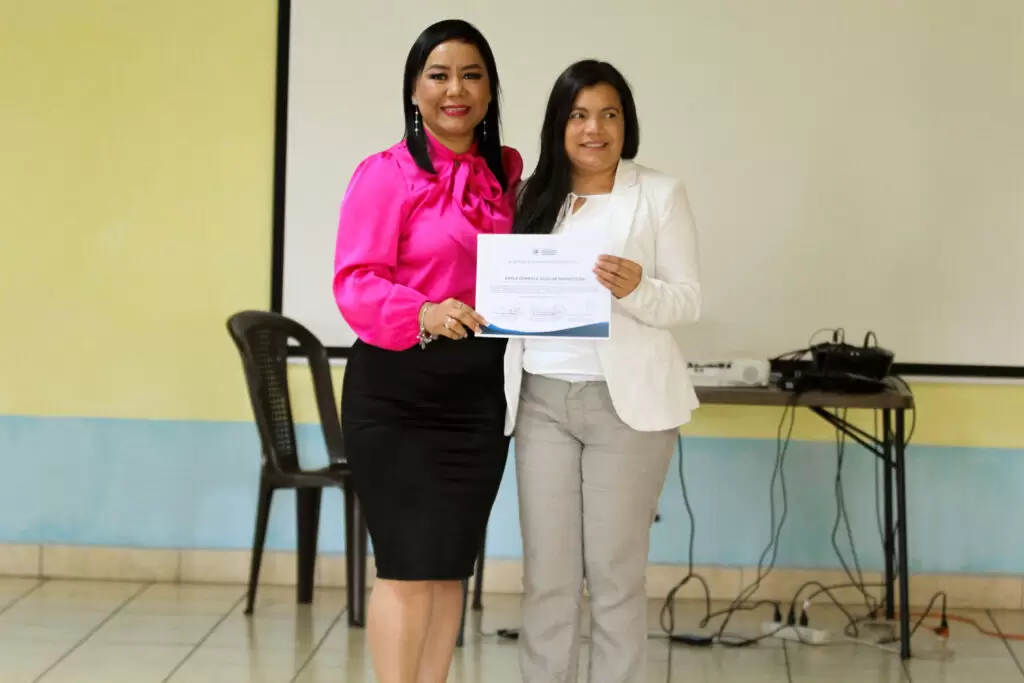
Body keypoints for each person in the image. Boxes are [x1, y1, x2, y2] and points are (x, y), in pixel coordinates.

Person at [332, 19, 522, 683]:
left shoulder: (507, 176)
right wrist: (423, 312)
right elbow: (355, 282)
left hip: (478, 398)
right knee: (407, 567)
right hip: (398, 393)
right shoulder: (385, 174)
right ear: (414, 90)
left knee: (448, 569)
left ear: (490, 90)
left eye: (471, 75)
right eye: (439, 75)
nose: (455, 90)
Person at [506, 59, 702, 683]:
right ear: (558, 124)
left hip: (626, 410)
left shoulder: (660, 194)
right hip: (541, 402)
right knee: (548, 577)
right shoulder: (530, 196)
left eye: (609, 114)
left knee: (615, 577)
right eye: (580, 115)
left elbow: (688, 302)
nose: (595, 129)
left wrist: (638, 288)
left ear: (626, 123)